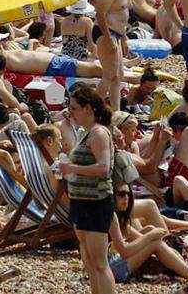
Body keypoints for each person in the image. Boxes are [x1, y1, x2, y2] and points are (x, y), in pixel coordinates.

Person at [58, 85, 116, 294]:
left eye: (74, 108)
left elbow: (103, 167)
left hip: (95, 202)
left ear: (88, 109)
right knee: (89, 262)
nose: (70, 112)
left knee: (100, 263)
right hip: (81, 200)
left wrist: (72, 168)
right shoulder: (87, 133)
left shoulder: (99, 133)